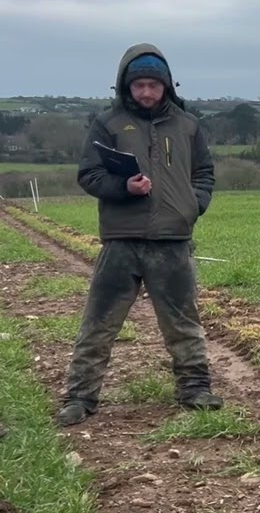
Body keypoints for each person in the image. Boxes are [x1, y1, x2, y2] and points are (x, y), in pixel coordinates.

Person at [56, 44, 221, 427]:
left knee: (183, 321)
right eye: (138, 85)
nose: (146, 92)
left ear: (166, 86)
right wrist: (123, 187)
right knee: (99, 323)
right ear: (125, 87)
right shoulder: (107, 124)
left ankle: (195, 388)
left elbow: (205, 173)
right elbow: (89, 175)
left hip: (172, 241)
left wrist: (193, 204)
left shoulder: (189, 125)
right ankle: (80, 397)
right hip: (121, 240)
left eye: (153, 85)